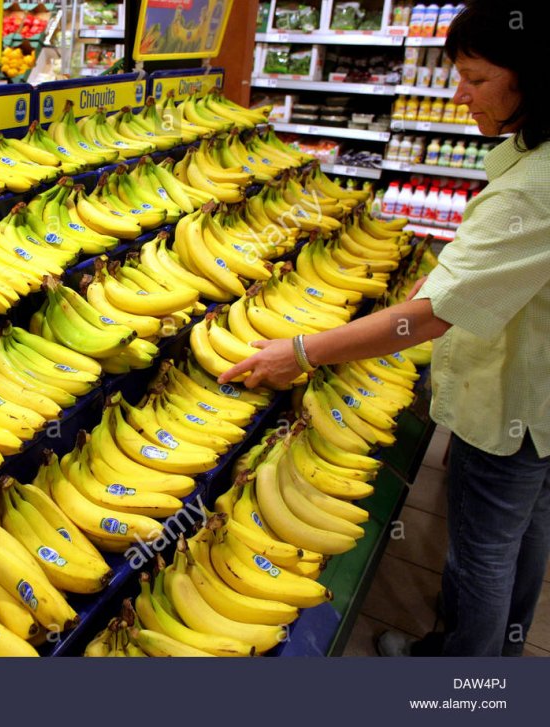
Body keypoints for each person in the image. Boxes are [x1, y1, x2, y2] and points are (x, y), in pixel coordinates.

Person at [218, 0, 550, 657]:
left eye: (478, 80)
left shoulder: (529, 191)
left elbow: (430, 316)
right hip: (537, 400)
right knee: (528, 528)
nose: (461, 96)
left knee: (483, 545)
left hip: (509, 399)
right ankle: (503, 653)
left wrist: (304, 351)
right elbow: (474, 276)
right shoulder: (531, 157)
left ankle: (463, 673)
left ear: (532, 77)